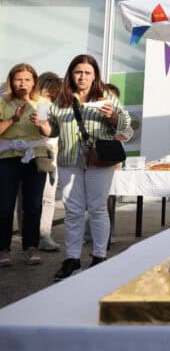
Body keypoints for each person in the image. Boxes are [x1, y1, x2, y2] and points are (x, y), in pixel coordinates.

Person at [49, 54, 130, 280]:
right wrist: (42, 126)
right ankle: (72, 259)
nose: (82, 77)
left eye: (87, 73)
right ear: (71, 74)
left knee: (97, 207)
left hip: (99, 158)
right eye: (78, 72)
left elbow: (126, 124)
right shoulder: (61, 100)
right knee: (73, 211)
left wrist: (113, 116)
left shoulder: (106, 97)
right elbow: (53, 130)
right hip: (69, 160)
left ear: (95, 76)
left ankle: (99, 256)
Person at [0, 64, 53, 267]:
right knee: (4, 205)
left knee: (33, 205)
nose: (23, 83)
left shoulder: (42, 102)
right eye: (18, 79)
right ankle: (3, 248)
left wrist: (41, 124)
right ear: (11, 81)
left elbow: (48, 131)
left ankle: (31, 247)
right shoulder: (3, 101)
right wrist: (13, 119)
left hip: (35, 157)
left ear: (34, 82)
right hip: (7, 157)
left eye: (27, 79)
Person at [36, 72, 62, 252]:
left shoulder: (57, 106)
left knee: (48, 197)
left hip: (52, 154)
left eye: (55, 92)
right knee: (39, 198)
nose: (51, 95)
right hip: (40, 153)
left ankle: (43, 235)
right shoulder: (41, 105)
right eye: (49, 91)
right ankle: (38, 236)